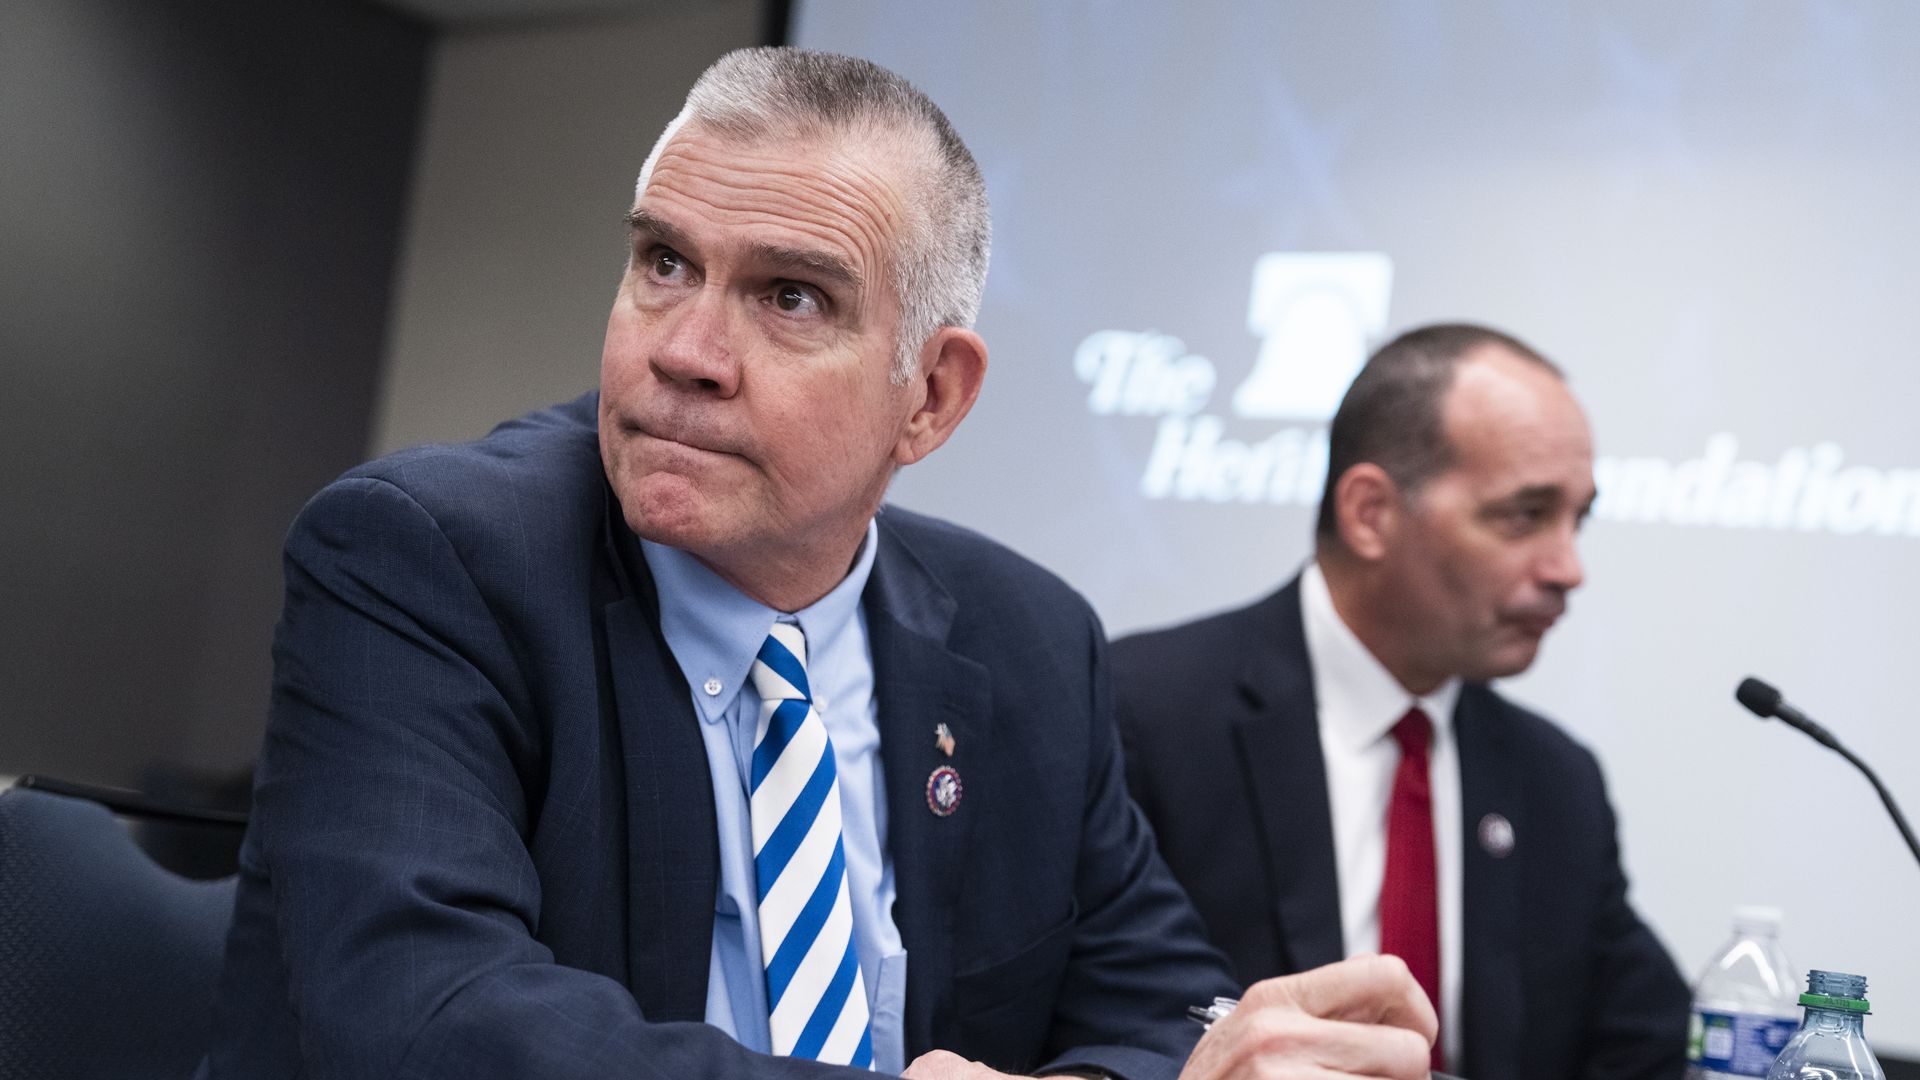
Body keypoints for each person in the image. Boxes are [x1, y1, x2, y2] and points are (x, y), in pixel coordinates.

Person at [201, 48, 1443, 1080]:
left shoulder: (1023, 642)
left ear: (932, 396)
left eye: (790, 298)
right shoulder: (428, 558)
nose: (685, 351)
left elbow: (1166, 1011)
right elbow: (428, 1023)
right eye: (665, 264)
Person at [1113, 324, 1692, 1080]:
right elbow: (1103, 1019)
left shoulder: (1556, 783)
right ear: (1370, 513)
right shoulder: (1145, 715)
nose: (1568, 568)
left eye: (1577, 519)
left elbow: (1643, 1049)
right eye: (1524, 515)